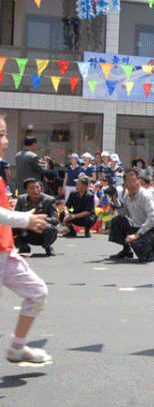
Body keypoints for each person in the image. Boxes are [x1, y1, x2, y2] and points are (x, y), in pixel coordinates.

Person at [0, 112, 52, 363]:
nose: (6, 140)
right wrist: (24, 219)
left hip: (5, 251)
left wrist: (10, 209)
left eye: (5, 134)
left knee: (37, 292)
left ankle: (17, 347)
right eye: (0, 134)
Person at [108, 169, 154, 262]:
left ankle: (150, 250)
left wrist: (137, 235)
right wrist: (114, 200)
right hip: (137, 226)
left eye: (134, 181)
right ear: (125, 184)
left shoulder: (146, 195)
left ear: (139, 181)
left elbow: (152, 219)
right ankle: (126, 250)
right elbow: (124, 213)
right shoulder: (128, 197)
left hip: (152, 230)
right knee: (117, 221)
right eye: (129, 182)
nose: (132, 184)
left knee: (137, 244)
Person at [14, 178, 58, 256]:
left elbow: (55, 220)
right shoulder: (21, 199)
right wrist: (27, 220)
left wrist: (38, 219)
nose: (35, 190)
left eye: (37, 187)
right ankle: (23, 246)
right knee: (10, 226)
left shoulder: (49, 200)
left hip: (41, 230)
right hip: (26, 229)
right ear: (26, 190)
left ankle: (47, 246)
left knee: (49, 228)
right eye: (32, 188)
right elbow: (16, 215)